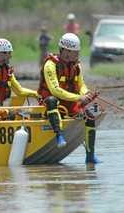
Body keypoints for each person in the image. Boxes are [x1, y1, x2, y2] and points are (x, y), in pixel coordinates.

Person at [38, 33, 100, 164]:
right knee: (51, 100)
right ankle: (59, 136)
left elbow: (81, 85)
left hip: (69, 101)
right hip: (49, 102)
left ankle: (90, 156)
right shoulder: (50, 65)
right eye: (75, 52)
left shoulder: (76, 66)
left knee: (91, 115)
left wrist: (86, 94)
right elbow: (55, 90)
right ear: (66, 51)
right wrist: (79, 97)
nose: (77, 54)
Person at [0, 38, 38, 107]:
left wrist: (36, 94)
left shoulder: (8, 72)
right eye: (9, 53)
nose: (10, 56)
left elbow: (19, 91)